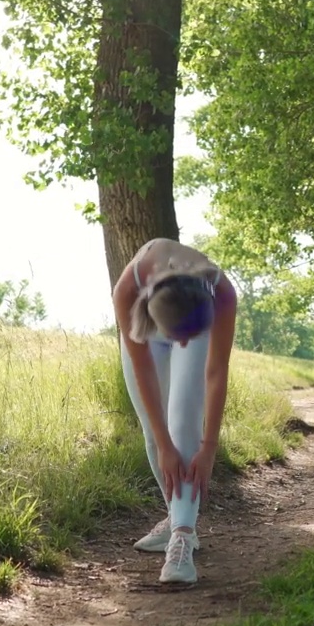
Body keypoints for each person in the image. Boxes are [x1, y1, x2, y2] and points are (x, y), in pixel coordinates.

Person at [112, 237, 237, 585]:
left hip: (188, 307)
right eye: (178, 336)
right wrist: (164, 447)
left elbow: (215, 372)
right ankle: (175, 518)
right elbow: (145, 374)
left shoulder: (221, 292)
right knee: (156, 435)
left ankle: (182, 536)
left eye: (190, 337)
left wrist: (209, 446)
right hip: (147, 316)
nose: (182, 344)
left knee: (183, 425)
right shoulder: (128, 291)